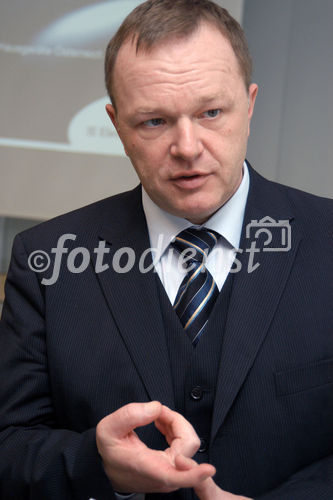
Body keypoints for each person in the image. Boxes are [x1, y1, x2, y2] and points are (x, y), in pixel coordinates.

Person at [0, 0, 332, 498]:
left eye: (211, 112)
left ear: (251, 105)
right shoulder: (44, 261)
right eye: (153, 121)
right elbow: (9, 446)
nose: (187, 146)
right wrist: (98, 464)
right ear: (116, 125)